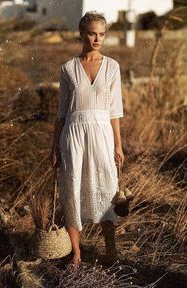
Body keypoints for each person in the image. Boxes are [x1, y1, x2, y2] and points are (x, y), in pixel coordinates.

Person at [49, 11, 125, 267]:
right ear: (82, 33)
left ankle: (111, 251)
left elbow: (115, 111)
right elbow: (61, 111)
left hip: (102, 134)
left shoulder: (113, 67)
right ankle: (76, 253)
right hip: (73, 134)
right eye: (92, 33)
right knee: (72, 189)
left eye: (102, 34)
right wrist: (54, 146)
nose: (97, 39)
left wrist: (118, 145)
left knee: (107, 189)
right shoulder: (68, 68)